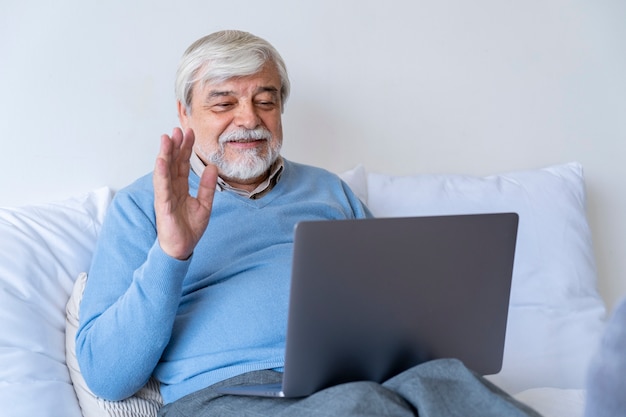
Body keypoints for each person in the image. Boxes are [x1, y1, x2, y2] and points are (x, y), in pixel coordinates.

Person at [76, 30, 541, 416]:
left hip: (352, 378)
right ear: (184, 112)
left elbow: (394, 308)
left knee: (453, 382)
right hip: (225, 396)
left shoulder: (329, 191)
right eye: (223, 104)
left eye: (266, 100)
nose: (249, 119)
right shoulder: (143, 205)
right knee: (363, 405)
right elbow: (107, 375)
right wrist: (171, 252)